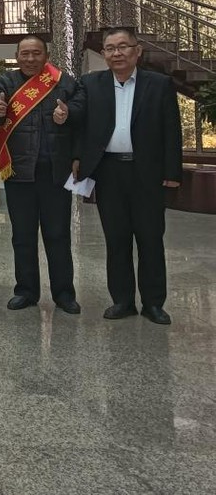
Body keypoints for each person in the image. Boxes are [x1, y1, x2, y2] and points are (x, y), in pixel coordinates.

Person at [74, 27, 182, 325]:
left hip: (147, 172)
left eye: (123, 46)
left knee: (150, 239)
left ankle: (153, 303)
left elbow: (172, 130)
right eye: (110, 48)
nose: (117, 53)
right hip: (109, 172)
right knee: (116, 239)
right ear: (104, 54)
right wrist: (77, 157)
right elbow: (80, 126)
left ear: (137, 51)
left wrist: (172, 172)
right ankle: (122, 300)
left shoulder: (159, 84)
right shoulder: (91, 83)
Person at [0, 35, 84, 314]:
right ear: (17, 56)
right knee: (22, 236)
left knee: (58, 234)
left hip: (55, 171)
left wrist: (69, 113)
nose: (30, 59)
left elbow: (81, 112)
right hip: (19, 171)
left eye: (36, 53)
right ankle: (26, 291)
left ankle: (64, 294)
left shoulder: (64, 82)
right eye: (24, 54)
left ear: (46, 55)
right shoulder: (5, 82)